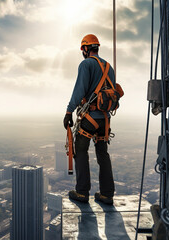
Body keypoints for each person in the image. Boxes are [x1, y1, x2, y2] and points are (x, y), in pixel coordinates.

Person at [63, 34, 115, 205]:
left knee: (80, 150)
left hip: (90, 117)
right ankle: (107, 194)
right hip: (105, 119)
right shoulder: (109, 67)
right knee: (102, 153)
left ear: (85, 49)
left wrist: (69, 111)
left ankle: (82, 192)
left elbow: (79, 90)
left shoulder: (86, 64)